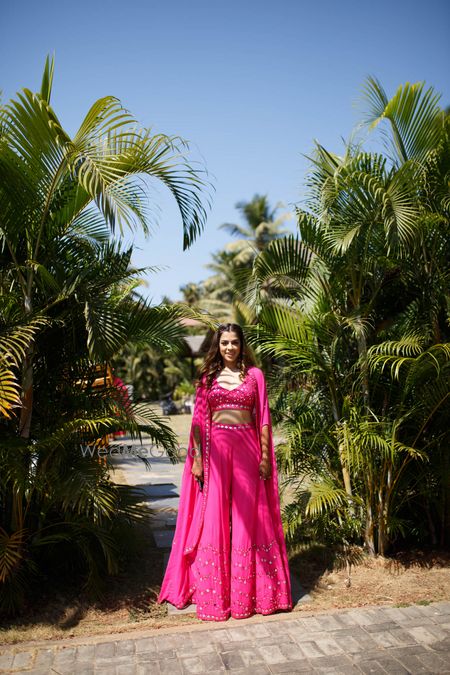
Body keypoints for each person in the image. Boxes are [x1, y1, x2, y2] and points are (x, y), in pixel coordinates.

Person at [157, 323, 292, 621]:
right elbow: (197, 421)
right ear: (217, 346)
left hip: (248, 453)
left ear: (242, 345)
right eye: (224, 343)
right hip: (215, 455)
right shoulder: (208, 378)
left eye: (234, 342)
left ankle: (248, 599)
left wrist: (266, 457)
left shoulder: (255, 376)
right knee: (214, 521)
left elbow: (265, 418)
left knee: (247, 523)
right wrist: (196, 458)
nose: (229, 348)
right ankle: (216, 599)